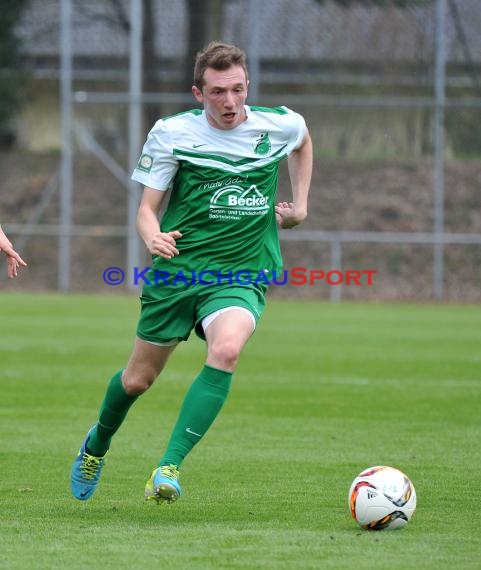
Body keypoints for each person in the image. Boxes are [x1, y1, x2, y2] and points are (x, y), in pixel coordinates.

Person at [70, 41, 313, 504]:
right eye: (219, 91)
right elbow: (146, 209)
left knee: (226, 350)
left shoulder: (280, 123)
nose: (230, 102)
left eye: (238, 90)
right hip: (178, 273)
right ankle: (96, 445)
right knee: (137, 380)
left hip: (241, 272)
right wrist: (152, 236)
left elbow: (302, 143)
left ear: (248, 87)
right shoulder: (172, 133)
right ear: (198, 93)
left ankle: (168, 466)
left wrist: (300, 205)